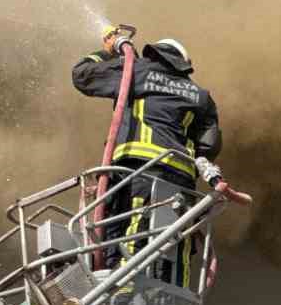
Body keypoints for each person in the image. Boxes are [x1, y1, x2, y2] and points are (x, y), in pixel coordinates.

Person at [71, 29, 237, 285]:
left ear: (155, 55)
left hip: (135, 174)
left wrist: (106, 51)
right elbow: (209, 144)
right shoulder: (200, 96)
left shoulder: (135, 70)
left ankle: (121, 298)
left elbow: (81, 75)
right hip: (181, 184)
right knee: (173, 243)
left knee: (126, 238)